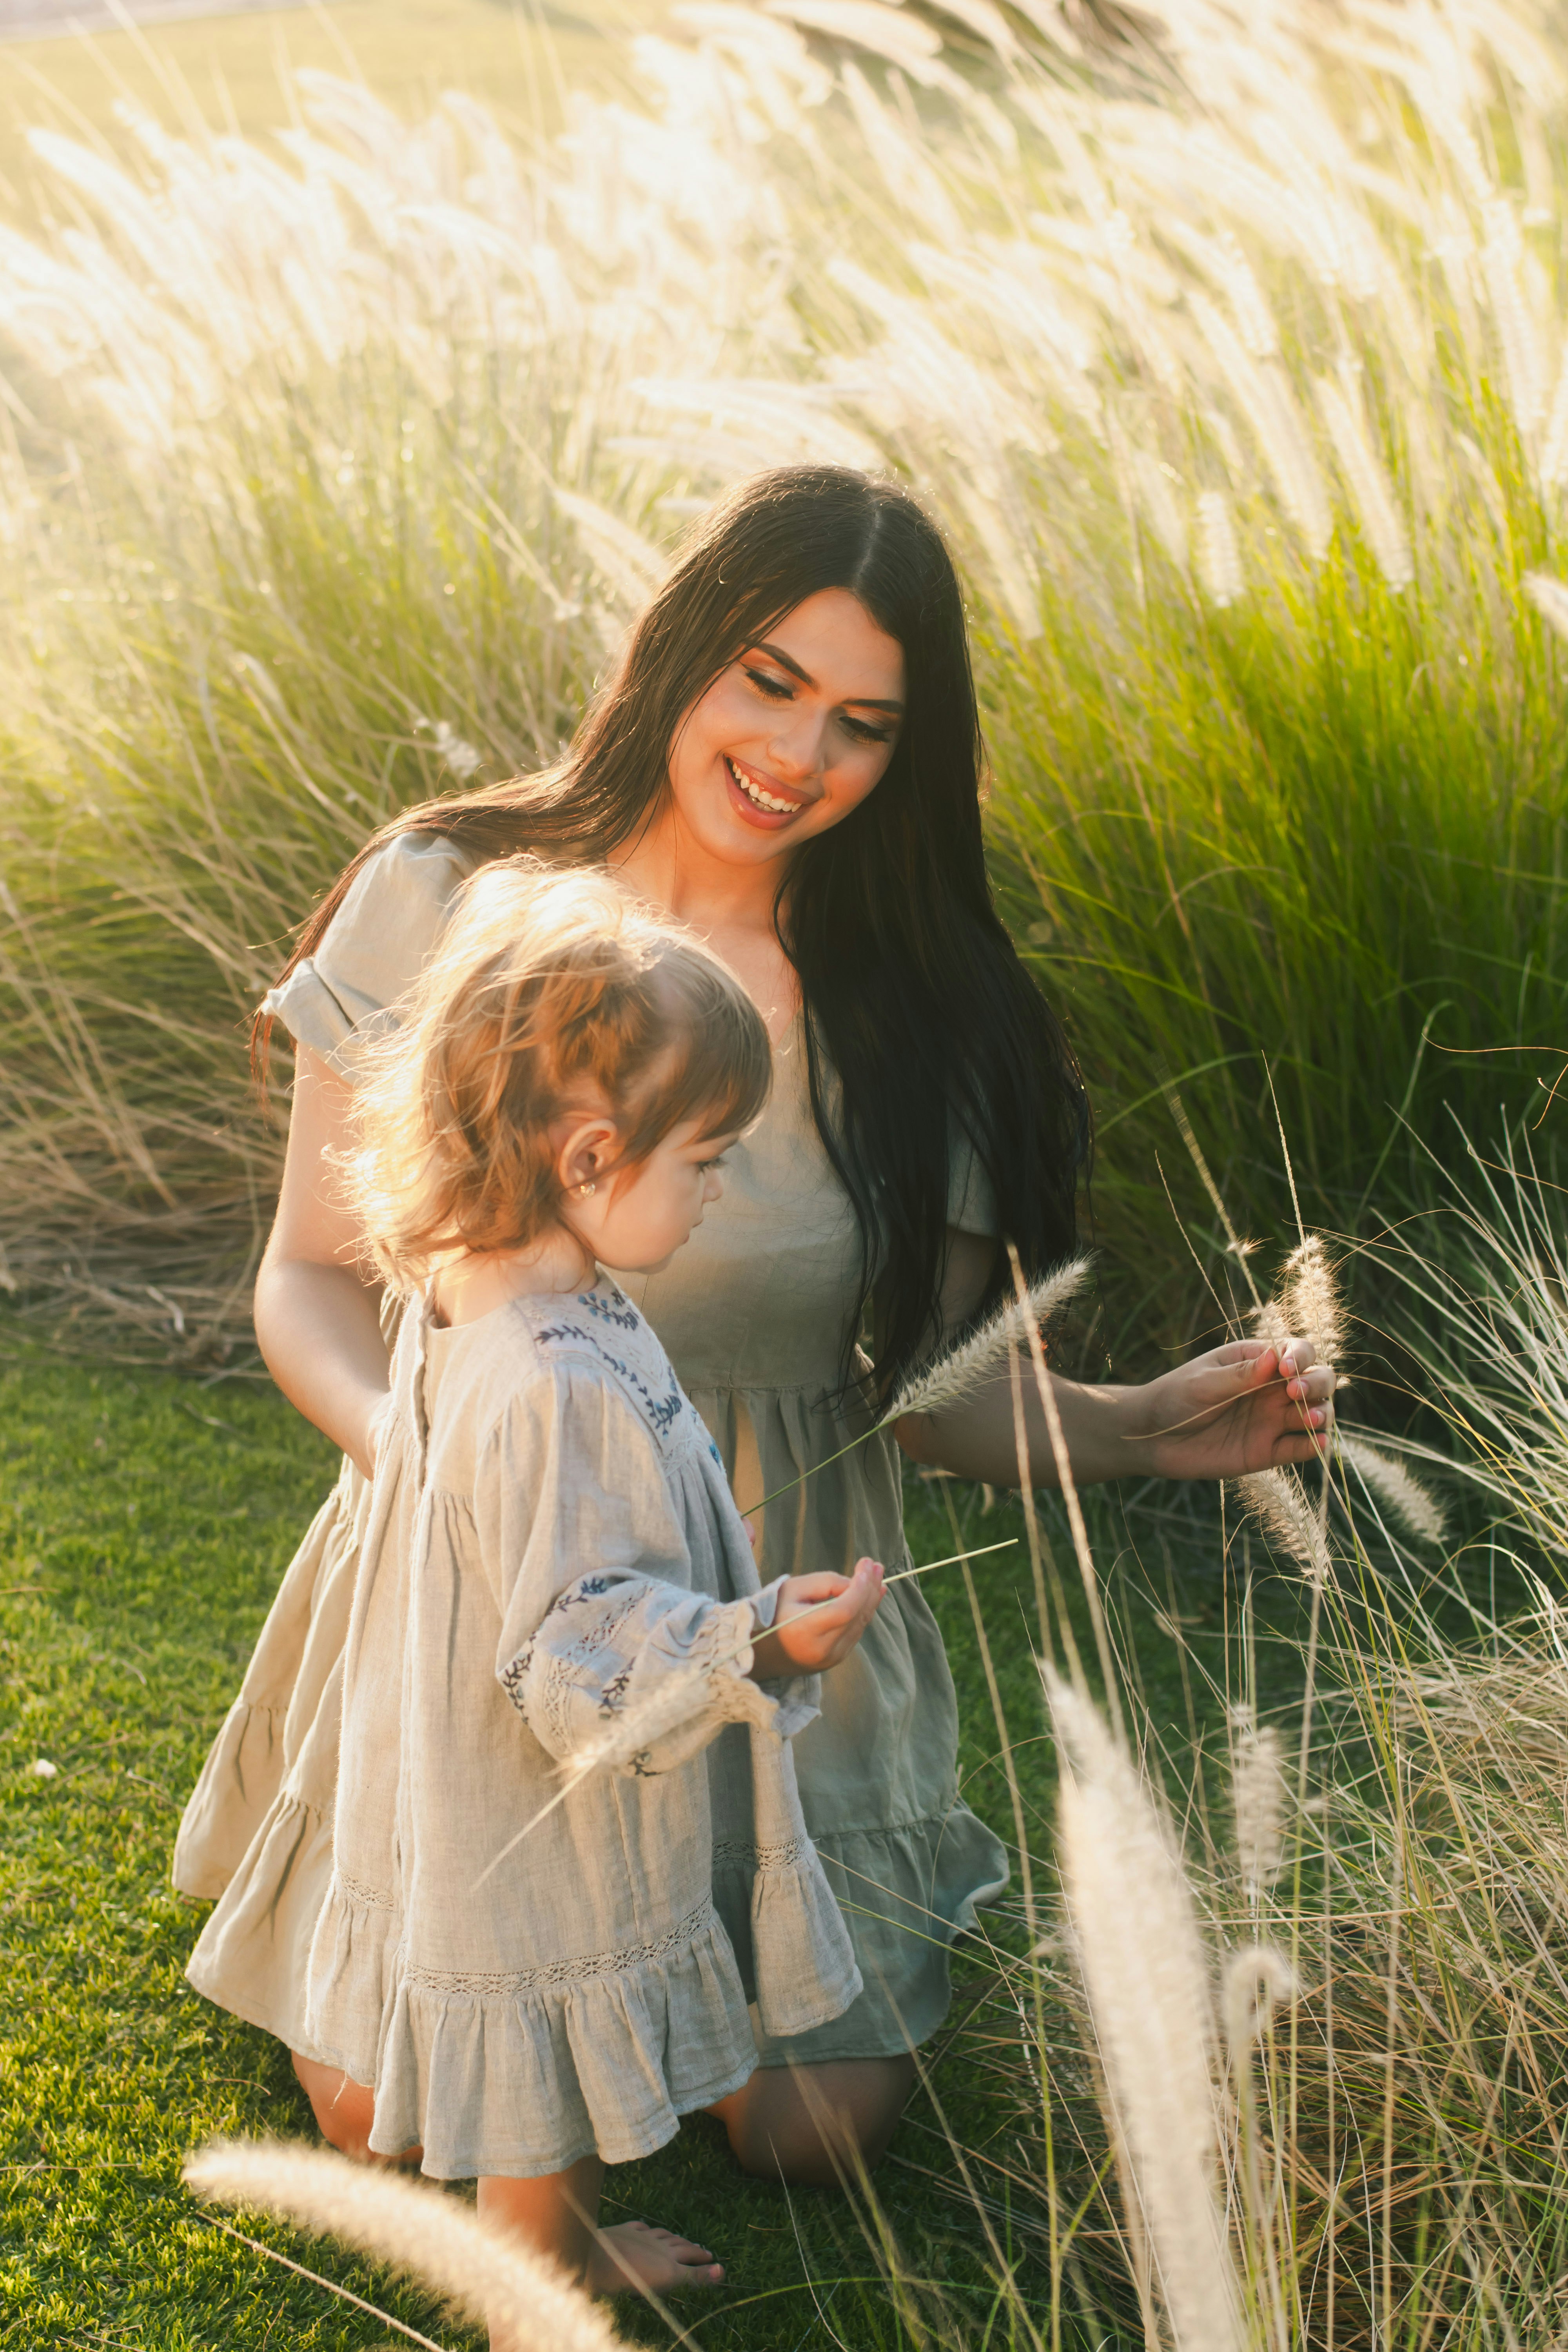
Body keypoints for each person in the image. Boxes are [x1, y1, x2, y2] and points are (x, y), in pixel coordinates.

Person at [174, 465, 1334, 2293]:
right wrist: (450, 1458)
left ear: (910, 752)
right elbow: (312, 1283)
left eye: (864, 723)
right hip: (481, 1590)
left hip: (765, 1604)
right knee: (384, 2118)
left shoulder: (931, 1012)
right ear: (689, 646)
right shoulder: (453, 893)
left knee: (810, 2128)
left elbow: (922, 1397)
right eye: (771, 679)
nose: (800, 752)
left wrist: (1137, 1429)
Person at [194, 860, 882, 2306]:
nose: (714, 1191)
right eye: (702, 1160)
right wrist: (752, 1641)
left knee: (533, 2040)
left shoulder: (479, 1274)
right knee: (548, 2049)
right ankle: (542, 2292)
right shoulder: (554, 1378)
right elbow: (579, 1644)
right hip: (536, 1796)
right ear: (585, 1156)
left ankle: (546, 2250)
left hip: (461, 1760)